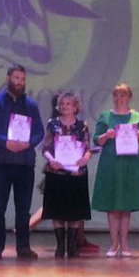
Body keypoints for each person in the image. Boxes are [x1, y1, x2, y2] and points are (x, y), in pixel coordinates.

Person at [0, 64, 44, 260]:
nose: (19, 82)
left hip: (24, 163)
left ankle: (23, 247)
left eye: (22, 79)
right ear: (8, 78)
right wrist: (5, 142)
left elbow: (39, 132)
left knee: (23, 209)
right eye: (16, 78)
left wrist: (28, 143)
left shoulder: (31, 105)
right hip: (1, 162)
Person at [91, 83, 139, 257]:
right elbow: (96, 140)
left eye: (123, 95)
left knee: (126, 205)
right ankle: (113, 243)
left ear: (129, 97)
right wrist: (106, 135)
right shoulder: (105, 116)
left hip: (130, 163)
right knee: (112, 205)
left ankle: (124, 243)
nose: (119, 98)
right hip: (111, 163)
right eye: (116, 95)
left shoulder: (136, 116)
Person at [41, 90, 92, 258]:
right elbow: (45, 148)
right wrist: (51, 161)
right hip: (57, 173)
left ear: (75, 107)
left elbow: (88, 148)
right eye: (62, 104)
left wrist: (85, 159)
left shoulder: (82, 125)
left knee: (75, 211)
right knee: (57, 210)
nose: (65, 107)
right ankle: (60, 245)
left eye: (68, 104)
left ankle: (71, 245)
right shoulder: (52, 124)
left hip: (76, 173)